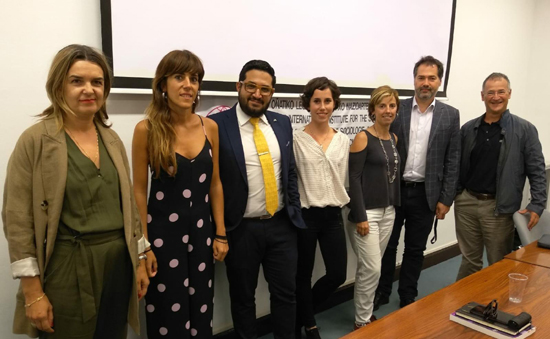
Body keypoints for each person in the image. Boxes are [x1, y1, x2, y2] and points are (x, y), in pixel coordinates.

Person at [2, 44, 149, 338]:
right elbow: (17, 220)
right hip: (67, 269)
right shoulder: (36, 141)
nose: (89, 90)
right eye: (77, 81)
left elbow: (128, 208)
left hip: (118, 266)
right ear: (58, 86)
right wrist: (32, 292)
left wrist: (140, 258)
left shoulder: (111, 139)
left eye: (97, 82)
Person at [132, 50, 228, 339]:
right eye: (179, 77)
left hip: (202, 234)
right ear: (163, 84)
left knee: (201, 309)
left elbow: (215, 184)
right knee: (166, 311)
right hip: (162, 239)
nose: (188, 84)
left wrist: (221, 233)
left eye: (194, 78)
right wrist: (143, 247)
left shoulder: (209, 126)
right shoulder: (146, 129)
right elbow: (138, 190)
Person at [210, 60, 306, 339]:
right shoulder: (216, 125)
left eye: (265, 89)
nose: (257, 94)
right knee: (243, 299)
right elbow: (212, 180)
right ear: (238, 87)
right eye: (251, 86)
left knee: (286, 295)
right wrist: (220, 230)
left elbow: (289, 171)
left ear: (272, 92)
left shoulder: (282, 122)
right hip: (240, 229)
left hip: (281, 225)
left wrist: (294, 213)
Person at [374, 56, 460, 309]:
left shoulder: (449, 115)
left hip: (426, 194)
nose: (425, 83)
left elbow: (452, 159)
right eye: (421, 77)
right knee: (388, 247)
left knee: (414, 249)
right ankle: (382, 292)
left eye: (431, 78)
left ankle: (407, 294)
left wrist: (446, 198)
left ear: (439, 82)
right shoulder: (396, 108)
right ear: (414, 80)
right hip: (394, 191)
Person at [455, 73, 547, 280]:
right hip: (466, 204)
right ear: (482, 96)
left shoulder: (524, 129)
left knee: (498, 262)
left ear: (509, 94)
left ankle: (498, 306)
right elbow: (457, 165)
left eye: (501, 92)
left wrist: (538, 203)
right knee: (469, 259)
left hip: (498, 208)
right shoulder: (469, 129)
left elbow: (537, 170)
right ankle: (460, 304)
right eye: (490, 93)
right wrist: (456, 194)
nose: (495, 97)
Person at [293, 77, 349, 339]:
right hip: (305, 217)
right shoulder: (296, 140)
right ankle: (309, 323)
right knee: (302, 274)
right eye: (317, 100)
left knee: (337, 273)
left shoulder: (343, 141)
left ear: (334, 104)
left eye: (327, 101)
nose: (322, 106)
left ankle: (300, 313)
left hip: (333, 216)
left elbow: (345, 178)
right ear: (308, 104)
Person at [348, 85, 401, 329]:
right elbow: (354, 179)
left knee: (371, 268)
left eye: (391, 105)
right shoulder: (362, 137)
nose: (387, 110)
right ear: (373, 110)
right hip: (366, 213)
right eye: (382, 106)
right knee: (372, 268)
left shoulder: (394, 138)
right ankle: (361, 322)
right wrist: (360, 216)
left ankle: (366, 314)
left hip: (388, 211)